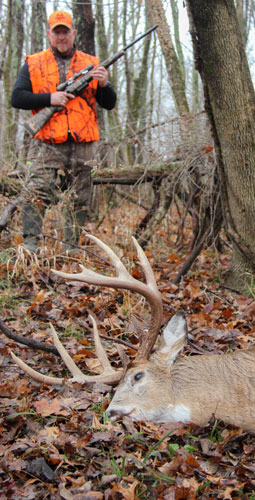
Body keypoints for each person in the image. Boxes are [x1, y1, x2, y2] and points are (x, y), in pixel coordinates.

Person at [11, 10, 116, 252]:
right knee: (37, 191)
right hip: (46, 140)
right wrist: (51, 98)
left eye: (65, 32)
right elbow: (17, 97)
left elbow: (108, 103)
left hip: (84, 142)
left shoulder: (91, 63)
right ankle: (30, 245)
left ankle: (71, 247)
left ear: (73, 33)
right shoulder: (33, 62)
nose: (61, 37)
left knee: (79, 197)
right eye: (56, 32)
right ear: (49, 34)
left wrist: (103, 84)